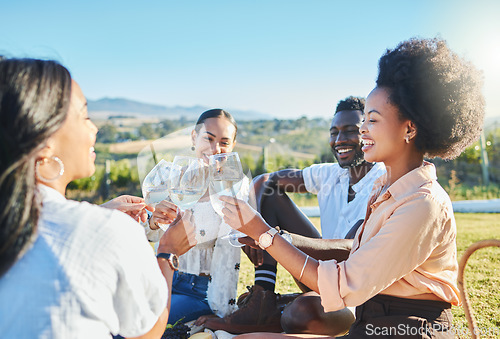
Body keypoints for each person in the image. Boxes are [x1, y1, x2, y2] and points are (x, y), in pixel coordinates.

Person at [220, 36, 484, 338]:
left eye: (371, 120)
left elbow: (345, 282)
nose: (361, 131)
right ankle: (264, 305)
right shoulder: (386, 189)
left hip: (406, 329)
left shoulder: (422, 204)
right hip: (372, 323)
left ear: (409, 128)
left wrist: (264, 234)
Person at [0, 57, 196, 338]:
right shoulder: (107, 231)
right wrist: (167, 253)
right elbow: (147, 333)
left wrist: (99, 212)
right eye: (84, 116)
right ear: (44, 142)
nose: (94, 129)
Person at [204, 97, 386, 335]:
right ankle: (263, 299)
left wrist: (272, 238)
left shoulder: (384, 181)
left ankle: (283, 309)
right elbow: (264, 181)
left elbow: (350, 250)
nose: (340, 140)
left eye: (351, 131)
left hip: (358, 295)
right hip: (319, 277)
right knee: (270, 191)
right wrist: (251, 226)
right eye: (334, 132)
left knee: (301, 313)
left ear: (368, 131)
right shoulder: (330, 174)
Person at [141, 109, 250, 325]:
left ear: (233, 146)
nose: (215, 148)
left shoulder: (235, 186)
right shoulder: (171, 175)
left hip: (201, 292)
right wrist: (154, 221)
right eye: (208, 139)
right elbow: (148, 234)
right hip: (160, 279)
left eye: (224, 142)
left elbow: (229, 243)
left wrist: (222, 311)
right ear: (194, 137)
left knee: (144, 325)